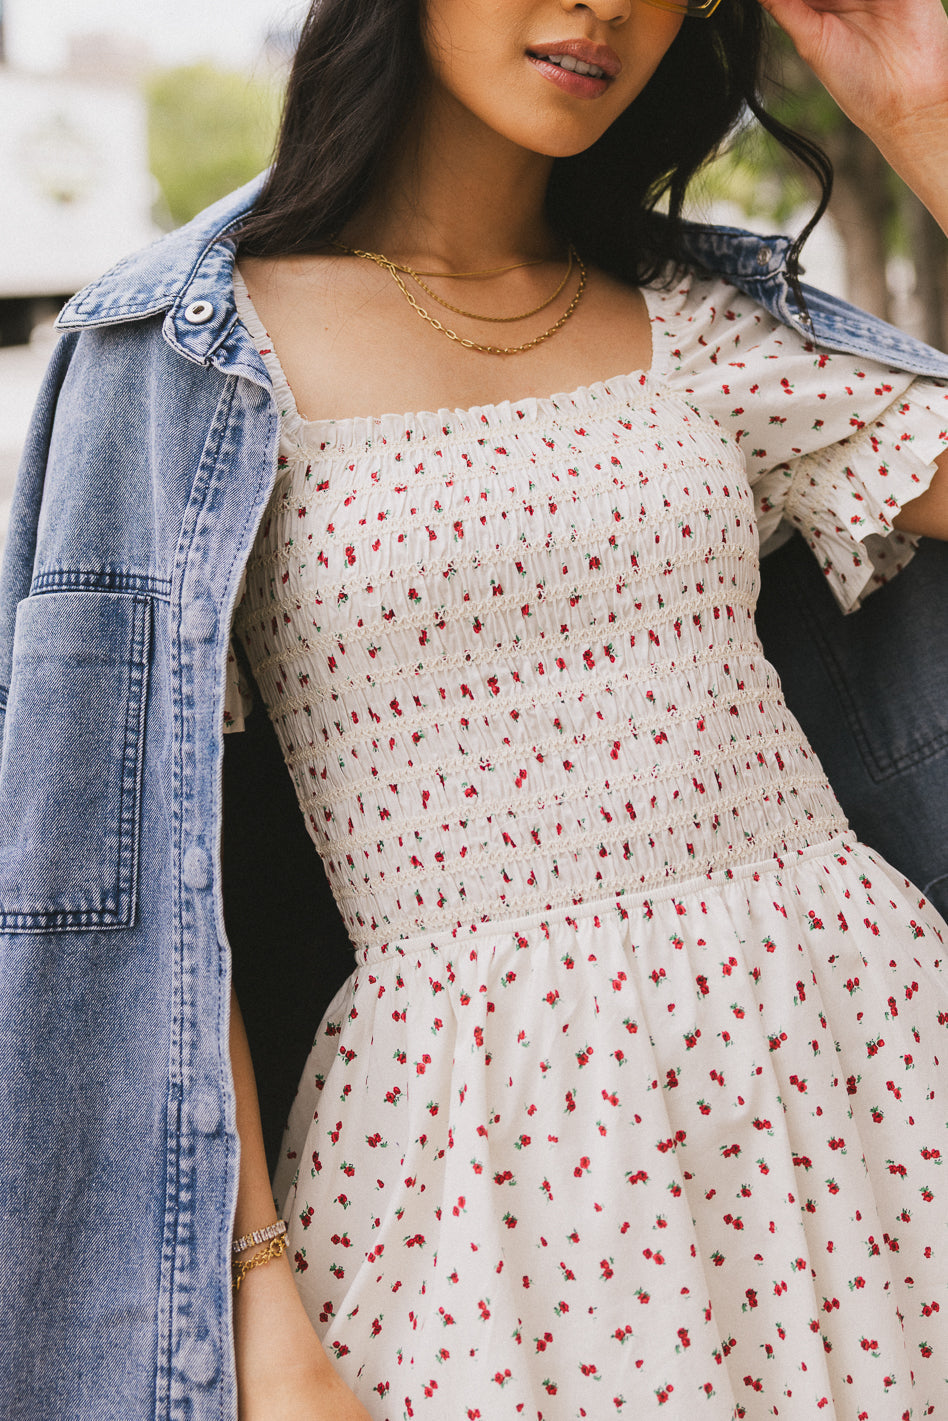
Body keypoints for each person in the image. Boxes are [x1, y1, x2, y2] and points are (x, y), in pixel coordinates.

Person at [2, 1, 948, 1419]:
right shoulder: (184, 359)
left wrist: (925, 119)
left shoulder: (704, 324)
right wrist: (260, 1301)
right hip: (479, 1152)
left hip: (854, 1055)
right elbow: (129, 878)